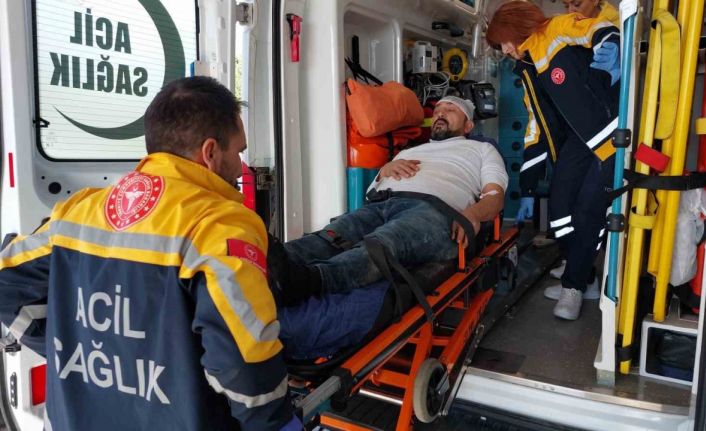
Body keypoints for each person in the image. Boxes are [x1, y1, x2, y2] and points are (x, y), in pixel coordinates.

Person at [0, 77, 300, 430]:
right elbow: (246, 369)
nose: (241, 166)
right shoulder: (219, 225)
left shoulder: (77, 212)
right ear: (210, 153)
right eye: (238, 151)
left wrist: (68, 347)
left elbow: (6, 283)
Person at [270, 96, 508, 304]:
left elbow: (495, 196)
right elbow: (370, 194)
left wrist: (473, 214)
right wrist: (384, 172)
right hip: (382, 203)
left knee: (383, 244)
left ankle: (310, 281)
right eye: (437, 111)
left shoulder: (481, 150)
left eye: (450, 109)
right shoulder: (408, 151)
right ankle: (268, 263)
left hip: (434, 210)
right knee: (333, 235)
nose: (440, 114)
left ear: (468, 125)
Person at [487, 1, 620, 320]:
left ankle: (574, 286)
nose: (505, 50)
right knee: (560, 208)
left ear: (515, 29)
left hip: (610, 133)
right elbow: (535, 124)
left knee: (588, 211)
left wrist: (610, 48)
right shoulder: (528, 67)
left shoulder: (557, 29)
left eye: (504, 42)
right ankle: (583, 275)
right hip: (579, 140)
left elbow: (600, 30)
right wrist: (527, 186)